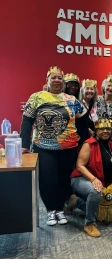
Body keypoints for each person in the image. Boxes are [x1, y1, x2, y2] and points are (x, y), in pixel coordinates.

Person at [20, 66, 88, 226]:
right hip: (43, 148)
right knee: (48, 180)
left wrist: (83, 139)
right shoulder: (37, 97)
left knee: (63, 180)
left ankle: (59, 209)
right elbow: (27, 121)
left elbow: (84, 120)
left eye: (60, 78)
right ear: (47, 80)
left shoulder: (71, 100)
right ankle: (51, 211)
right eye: (54, 78)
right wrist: (24, 145)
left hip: (68, 148)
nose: (57, 80)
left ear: (63, 82)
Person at [68, 118, 112, 237]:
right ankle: (89, 224)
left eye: (108, 129)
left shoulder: (111, 145)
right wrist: (94, 179)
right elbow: (80, 166)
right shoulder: (88, 144)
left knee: (108, 216)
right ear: (96, 131)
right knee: (96, 191)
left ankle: (76, 202)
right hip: (81, 178)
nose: (105, 131)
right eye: (102, 129)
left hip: (103, 181)